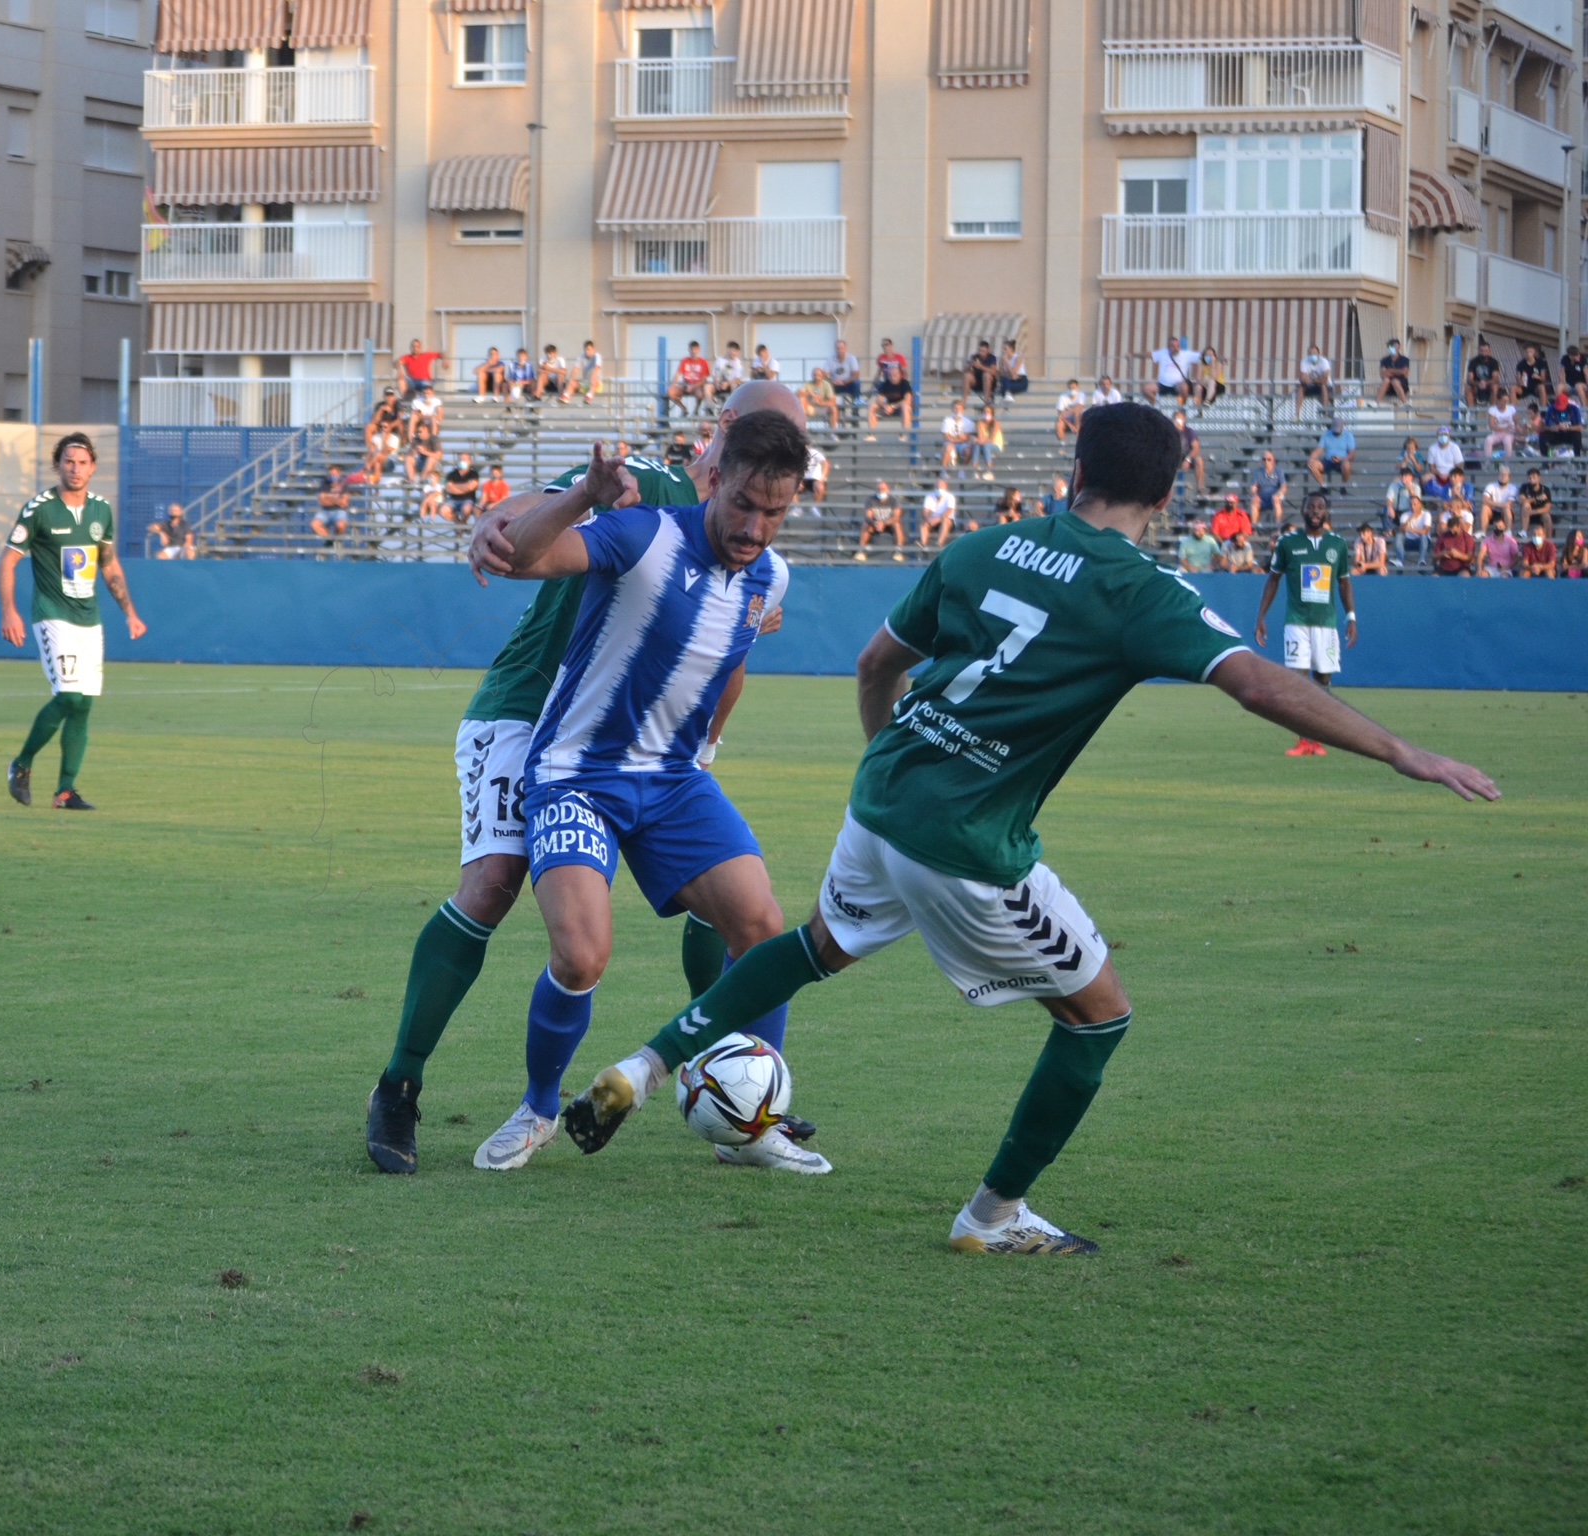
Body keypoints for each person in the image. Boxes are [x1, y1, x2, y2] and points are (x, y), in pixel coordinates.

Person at [557, 402, 1499, 1257]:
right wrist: (1401, 751)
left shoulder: (983, 547)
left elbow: (874, 663)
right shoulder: (1139, 588)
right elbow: (1255, 681)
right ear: (1168, 491)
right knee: (1099, 1017)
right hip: (967, 842)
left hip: (883, 794)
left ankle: (645, 1065)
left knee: (817, 944)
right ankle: (992, 1217)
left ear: (1074, 469)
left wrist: (897, 764)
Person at [363, 382, 808, 1175]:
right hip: (530, 712)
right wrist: (514, 520)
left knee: (738, 910)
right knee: (495, 883)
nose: (760, 509)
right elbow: (515, 518)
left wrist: (706, 750)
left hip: (650, 747)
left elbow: (729, 659)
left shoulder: (759, 559)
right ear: (728, 432)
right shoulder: (648, 488)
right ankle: (400, 1085)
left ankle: (740, 1090)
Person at [0, 433, 146, 811]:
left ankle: (65, 792)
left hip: (89, 619)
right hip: (52, 615)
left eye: (82, 462)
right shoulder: (39, 509)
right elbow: (8, 560)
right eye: (68, 461)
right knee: (68, 696)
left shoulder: (101, 511)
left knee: (83, 705)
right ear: (57, 465)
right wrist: (9, 611)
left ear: (93, 467)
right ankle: (22, 763)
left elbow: (109, 564)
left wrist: (129, 612)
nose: (75, 468)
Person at [1255, 489, 1356, 756]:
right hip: (1296, 622)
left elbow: (1344, 583)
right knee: (1298, 682)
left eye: (1320, 507)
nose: (1315, 512)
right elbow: (1273, 579)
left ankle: (1319, 740)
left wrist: (1351, 617)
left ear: (1326, 512)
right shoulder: (1288, 543)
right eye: (1310, 507)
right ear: (1302, 511)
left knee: (1323, 680)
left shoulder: (1337, 545)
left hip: (1326, 624)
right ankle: (1303, 740)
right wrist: (1261, 616)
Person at [858, 480, 904, 561]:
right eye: (879, 489)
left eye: (883, 489)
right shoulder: (871, 500)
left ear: (888, 490)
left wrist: (884, 523)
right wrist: (875, 523)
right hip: (875, 524)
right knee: (866, 524)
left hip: (889, 525)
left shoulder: (894, 500)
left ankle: (899, 552)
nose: (881, 491)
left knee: (897, 525)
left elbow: (896, 517)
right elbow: (868, 516)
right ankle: (861, 551)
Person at [1146, 335, 1197, 405]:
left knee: (1184, 387)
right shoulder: (1163, 353)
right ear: (1169, 347)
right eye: (1173, 346)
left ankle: (1182, 407)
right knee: (1146, 389)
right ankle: (1157, 405)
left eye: (1177, 346)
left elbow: (1202, 357)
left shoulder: (1186, 354)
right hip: (1163, 385)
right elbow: (1150, 355)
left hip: (1177, 386)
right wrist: (1133, 355)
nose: (1175, 348)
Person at [1211, 492, 1255, 572]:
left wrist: (1236, 541)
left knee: (1246, 546)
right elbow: (1215, 533)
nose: (1229, 504)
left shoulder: (1242, 515)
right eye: (1227, 502)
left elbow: (1246, 532)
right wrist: (1224, 543)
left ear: (1236, 503)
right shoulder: (1219, 515)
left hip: (1237, 541)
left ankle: (1239, 568)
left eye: (1232, 503)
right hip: (1222, 542)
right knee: (1215, 549)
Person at [868, 359, 914, 432]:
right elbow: (879, 398)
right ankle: (871, 434)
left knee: (905, 407)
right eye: (890, 375)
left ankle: (904, 434)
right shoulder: (885, 383)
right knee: (873, 406)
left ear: (899, 375)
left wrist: (892, 406)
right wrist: (885, 406)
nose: (892, 378)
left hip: (900, 409)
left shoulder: (905, 384)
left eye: (895, 375)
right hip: (887, 409)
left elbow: (907, 400)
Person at [668, 342, 712, 415]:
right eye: (692, 349)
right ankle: (684, 409)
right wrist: (673, 384)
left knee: (700, 394)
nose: (694, 351)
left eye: (695, 349)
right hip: (686, 384)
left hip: (698, 385)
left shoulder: (703, 362)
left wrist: (693, 386)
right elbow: (678, 374)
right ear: (689, 350)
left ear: (699, 350)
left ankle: (696, 409)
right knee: (671, 392)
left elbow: (705, 379)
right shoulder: (685, 361)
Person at [1310, 418, 1356, 487]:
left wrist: (1342, 459)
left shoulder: (1348, 436)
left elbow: (1352, 453)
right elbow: (1319, 450)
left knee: (1346, 465)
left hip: (1342, 461)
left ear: (1342, 427)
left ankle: (1343, 485)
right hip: (1328, 460)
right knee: (1313, 465)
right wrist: (1312, 458)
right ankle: (1324, 486)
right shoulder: (1326, 435)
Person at [1247, 449, 1288, 527]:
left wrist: (1279, 494)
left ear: (1274, 461)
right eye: (1264, 459)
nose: (1266, 462)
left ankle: (1278, 526)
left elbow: (1283, 486)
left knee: (1276, 500)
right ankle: (1254, 528)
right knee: (1254, 502)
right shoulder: (1258, 472)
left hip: (1275, 497)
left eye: (1269, 459)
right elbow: (1253, 487)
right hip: (1262, 498)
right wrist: (1255, 495)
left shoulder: (1279, 471)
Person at [313, 464, 352, 543]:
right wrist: (337, 500)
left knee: (341, 525)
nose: (332, 476)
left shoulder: (344, 485)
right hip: (325, 511)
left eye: (334, 474)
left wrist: (328, 497)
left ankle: (336, 541)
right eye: (331, 474)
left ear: (339, 474)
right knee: (315, 525)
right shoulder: (325, 484)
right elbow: (322, 502)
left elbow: (344, 503)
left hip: (339, 511)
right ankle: (330, 541)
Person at [920, 477, 958, 549]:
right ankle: (923, 544)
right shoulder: (930, 496)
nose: (939, 488)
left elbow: (950, 511)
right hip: (933, 521)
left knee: (946, 521)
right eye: (938, 486)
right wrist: (928, 519)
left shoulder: (950, 497)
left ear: (946, 487)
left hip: (946, 521)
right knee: (924, 524)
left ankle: (939, 543)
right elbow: (925, 511)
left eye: (942, 486)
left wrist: (938, 519)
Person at [1542, 390, 1583, 456]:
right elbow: (1544, 427)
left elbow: (1580, 427)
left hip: (1569, 433)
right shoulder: (1551, 409)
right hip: (1556, 434)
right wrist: (1551, 428)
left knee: (1577, 435)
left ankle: (1577, 457)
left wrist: (1567, 428)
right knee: (1543, 436)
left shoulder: (1574, 409)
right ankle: (1545, 460)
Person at [442, 454, 481, 521]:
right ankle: (458, 522)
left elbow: (471, 487)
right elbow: (449, 488)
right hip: (453, 500)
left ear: (470, 461)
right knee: (443, 511)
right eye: (461, 459)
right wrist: (465, 487)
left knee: (466, 510)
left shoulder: (473, 474)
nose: (462, 461)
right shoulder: (452, 474)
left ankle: (462, 524)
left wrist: (455, 487)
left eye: (464, 459)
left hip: (468, 499)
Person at [1296, 343, 1333, 415]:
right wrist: (1316, 380)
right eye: (1310, 353)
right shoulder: (1305, 361)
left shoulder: (1324, 362)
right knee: (1301, 388)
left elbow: (1325, 379)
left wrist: (1312, 380)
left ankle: (1325, 411)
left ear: (1318, 354)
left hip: (1326, 386)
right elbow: (1303, 378)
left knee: (1323, 385)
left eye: (1314, 353)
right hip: (1312, 386)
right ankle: (1297, 414)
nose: (1312, 355)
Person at [940, 400, 976, 473]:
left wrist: (953, 438)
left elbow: (966, 438)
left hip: (962, 444)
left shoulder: (967, 422)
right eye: (955, 408)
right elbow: (946, 437)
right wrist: (959, 438)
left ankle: (963, 470)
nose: (957, 410)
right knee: (949, 447)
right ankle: (944, 472)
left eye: (960, 408)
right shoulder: (947, 421)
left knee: (969, 450)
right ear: (952, 409)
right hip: (950, 443)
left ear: (963, 410)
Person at [800, 367, 840, 431]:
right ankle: (804, 430)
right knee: (802, 400)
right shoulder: (808, 384)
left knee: (834, 408)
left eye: (818, 375)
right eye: (815, 375)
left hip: (823, 408)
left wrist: (822, 403)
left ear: (822, 376)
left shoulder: (826, 385)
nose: (816, 377)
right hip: (811, 408)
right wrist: (809, 393)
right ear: (812, 376)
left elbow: (833, 401)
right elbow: (797, 394)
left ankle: (833, 432)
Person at [1465, 339, 1501, 408]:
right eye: (1482, 351)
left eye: (1486, 351)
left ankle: (1493, 411)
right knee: (1468, 388)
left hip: (1489, 385)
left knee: (1495, 387)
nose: (1484, 353)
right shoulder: (1473, 362)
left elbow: (1496, 379)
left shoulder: (1494, 362)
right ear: (1479, 351)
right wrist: (1478, 384)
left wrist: (1485, 383)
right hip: (1476, 385)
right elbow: (1469, 379)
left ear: (1490, 351)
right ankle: (1471, 412)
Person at [828, 340, 863, 409]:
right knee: (825, 384)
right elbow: (824, 374)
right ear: (835, 349)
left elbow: (856, 375)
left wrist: (844, 382)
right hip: (835, 385)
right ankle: (830, 409)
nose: (839, 350)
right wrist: (833, 381)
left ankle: (855, 410)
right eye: (838, 348)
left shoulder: (851, 358)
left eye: (841, 348)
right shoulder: (830, 359)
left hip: (848, 384)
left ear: (846, 349)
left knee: (857, 382)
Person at [1484, 389, 1519, 459]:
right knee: (1488, 440)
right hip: (1497, 433)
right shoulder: (1492, 410)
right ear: (1498, 400)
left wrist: (1516, 426)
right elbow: (1492, 425)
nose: (1505, 403)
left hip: (1509, 433)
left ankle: (1507, 462)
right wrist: (1504, 429)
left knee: (1507, 441)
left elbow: (1516, 420)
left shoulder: (1511, 409)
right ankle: (1488, 460)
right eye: (1503, 401)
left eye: (1507, 401)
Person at [974, 406, 1005, 481]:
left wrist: (980, 441)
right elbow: (981, 438)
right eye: (985, 412)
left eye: (988, 412)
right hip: (985, 445)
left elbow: (992, 439)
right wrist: (979, 441)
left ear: (992, 413)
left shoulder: (996, 423)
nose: (986, 414)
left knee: (985, 445)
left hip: (996, 445)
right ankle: (975, 470)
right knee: (977, 445)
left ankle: (990, 471)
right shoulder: (980, 423)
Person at [1516, 345, 1551, 411]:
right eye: (1526, 352)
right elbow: (1518, 378)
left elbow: (1543, 379)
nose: (1528, 354)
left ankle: (1543, 411)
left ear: (1534, 352)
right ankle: (1512, 413)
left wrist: (1538, 377)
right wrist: (1521, 381)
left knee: (1542, 387)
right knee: (1513, 388)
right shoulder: (1520, 364)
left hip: (1536, 387)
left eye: (1530, 352)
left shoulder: (1540, 363)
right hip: (1524, 387)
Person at [965, 339, 1001, 404]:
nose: (981, 353)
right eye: (980, 351)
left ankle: (987, 401)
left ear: (988, 350)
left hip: (990, 383)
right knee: (967, 375)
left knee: (986, 375)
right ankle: (964, 401)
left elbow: (994, 372)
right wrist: (971, 365)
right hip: (977, 382)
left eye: (983, 351)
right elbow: (965, 371)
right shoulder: (975, 357)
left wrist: (980, 366)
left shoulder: (992, 358)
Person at [1378, 338, 1411, 406]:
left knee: (1395, 381)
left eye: (1396, 347)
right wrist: (1398, 372)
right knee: (1386, 380)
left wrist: (1390, 370)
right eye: (1393, 347)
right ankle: (1377, 403)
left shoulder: (1405, 360)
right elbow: (1383, 374)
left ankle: (1405, 403)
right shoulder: (1384, 360)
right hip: (1389, 387)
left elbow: (1404, 372)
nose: (1395, 349)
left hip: (1402, 385)